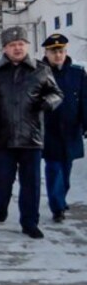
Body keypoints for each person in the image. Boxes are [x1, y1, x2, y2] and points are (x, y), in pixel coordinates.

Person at [0, 26, 63, 239]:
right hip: (2, 137)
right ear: (5, 48)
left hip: (31, 137)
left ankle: (29, 222)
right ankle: (2, 203)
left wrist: (48, 102)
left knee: (31, 184)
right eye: (12, 45)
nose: (17, 49)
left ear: (27, 46)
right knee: (4, 180)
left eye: (21, 44)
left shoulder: (40, 70)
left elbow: (56, 93)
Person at [40, 34, 87, 223]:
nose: (58, 55)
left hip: (71, 130)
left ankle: (61, 196)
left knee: (66, 170)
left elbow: (84, 100)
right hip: (48, 130)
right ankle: (57, 207)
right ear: (47, 53)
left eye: (61, 51)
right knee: (53, 169)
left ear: (66, 52)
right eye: (53, 51)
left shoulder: (77, 73)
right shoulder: (40, 72)